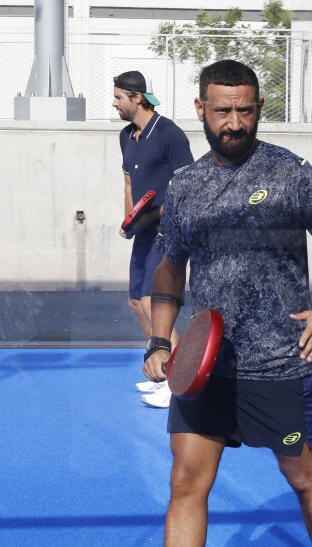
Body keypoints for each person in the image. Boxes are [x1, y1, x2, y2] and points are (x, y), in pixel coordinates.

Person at [110, 60, 312, 547]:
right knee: (185, 484)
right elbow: (171, 268)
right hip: (206, 367)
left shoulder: (290, 174)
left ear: (258, 109)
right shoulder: (188, 187)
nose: (234, 121)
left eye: (245, 109)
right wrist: (163, 340)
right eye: (222, 110)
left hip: (281, 363)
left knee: (304, 478)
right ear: (200, 109)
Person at [113, 70, 194, 408]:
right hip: (143, 231)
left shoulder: (170, 134)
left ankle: (178, 384)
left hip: (168, 232)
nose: (114, 103)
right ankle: (158, 369)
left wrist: (155, 214)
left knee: (151, 301)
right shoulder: (125, 136)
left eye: (119, 97)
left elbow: (186, 187)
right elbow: (131, 183)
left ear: (138, 98)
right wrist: (131, 218)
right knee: (135, 303)